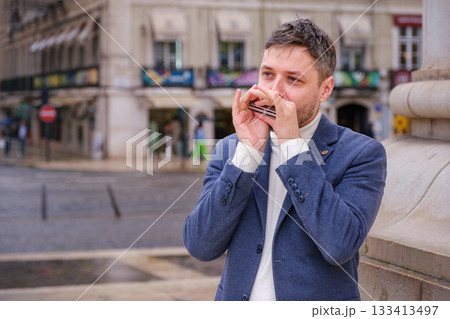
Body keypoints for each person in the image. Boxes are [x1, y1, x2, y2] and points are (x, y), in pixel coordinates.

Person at [183, 19, 387, 301]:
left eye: (293, 79)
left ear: (325, 89)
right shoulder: (232, 148)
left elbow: (339, 245)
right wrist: (248, 155)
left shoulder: (362, 154)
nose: (275, 90)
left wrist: (293, 147)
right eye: (268, 74)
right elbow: (200, 245)